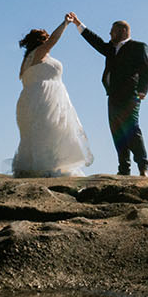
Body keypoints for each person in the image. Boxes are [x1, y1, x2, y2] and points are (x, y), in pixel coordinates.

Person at [67, 12, 148, 176]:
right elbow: (95, 41)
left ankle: (143, 166)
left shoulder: (138, 47)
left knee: (132, 129)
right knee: (117, 132)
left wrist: (142, 90)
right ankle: (123, 169)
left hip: (131, 96)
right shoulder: (111, 49)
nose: (109, 34)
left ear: (121, 32)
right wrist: (78, 23)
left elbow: (147, 68)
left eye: (112, 31)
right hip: (112, 96)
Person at [10, 18, 94, 177]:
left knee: (40, 133)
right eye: (46, 39)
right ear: (41, 41)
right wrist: (65, 23)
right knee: (48, 131)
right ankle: (46, 169)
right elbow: (54, 39)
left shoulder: (26, 60)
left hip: (29, 100)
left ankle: (37, 168)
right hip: (42, 99)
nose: (49, 42)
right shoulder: (39, 53)